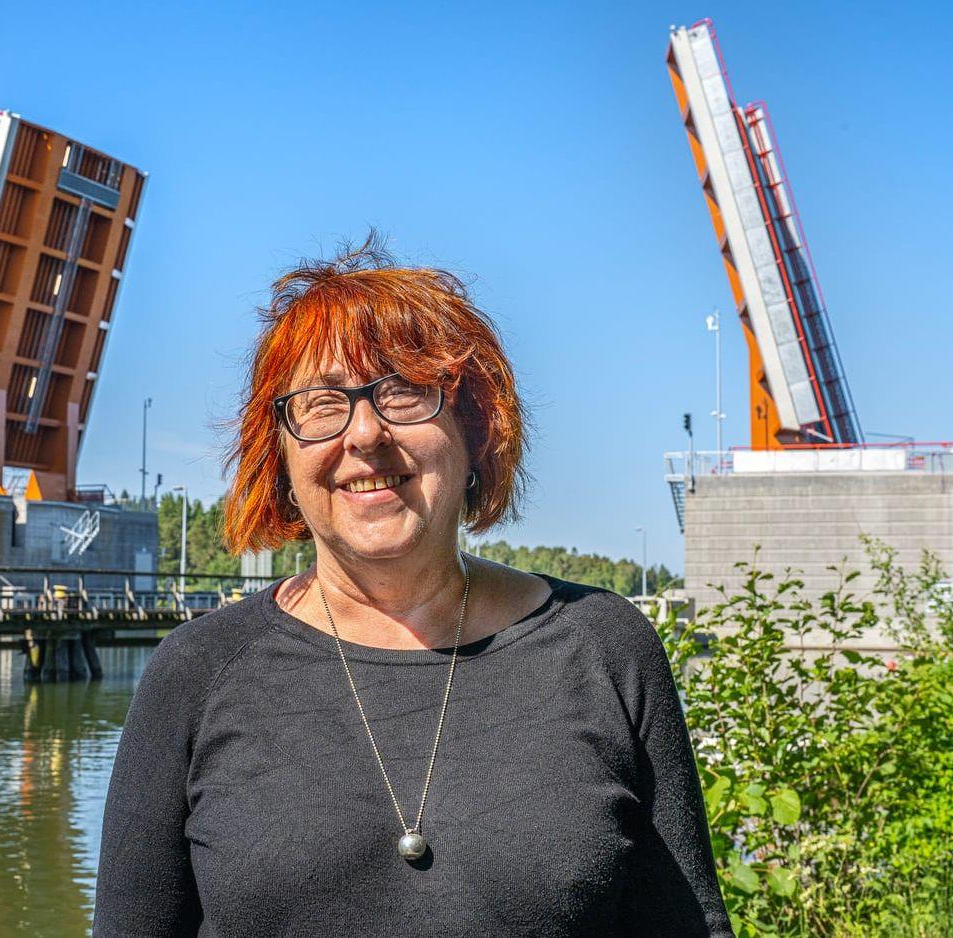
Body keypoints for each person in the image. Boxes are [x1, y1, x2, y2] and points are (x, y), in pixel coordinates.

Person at [93, 238, 732, 936]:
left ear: (475, 430)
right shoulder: (198, 670)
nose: (365, 432)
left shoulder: (603, 646)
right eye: (321, 402)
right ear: (279, 455)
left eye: (404, 393)